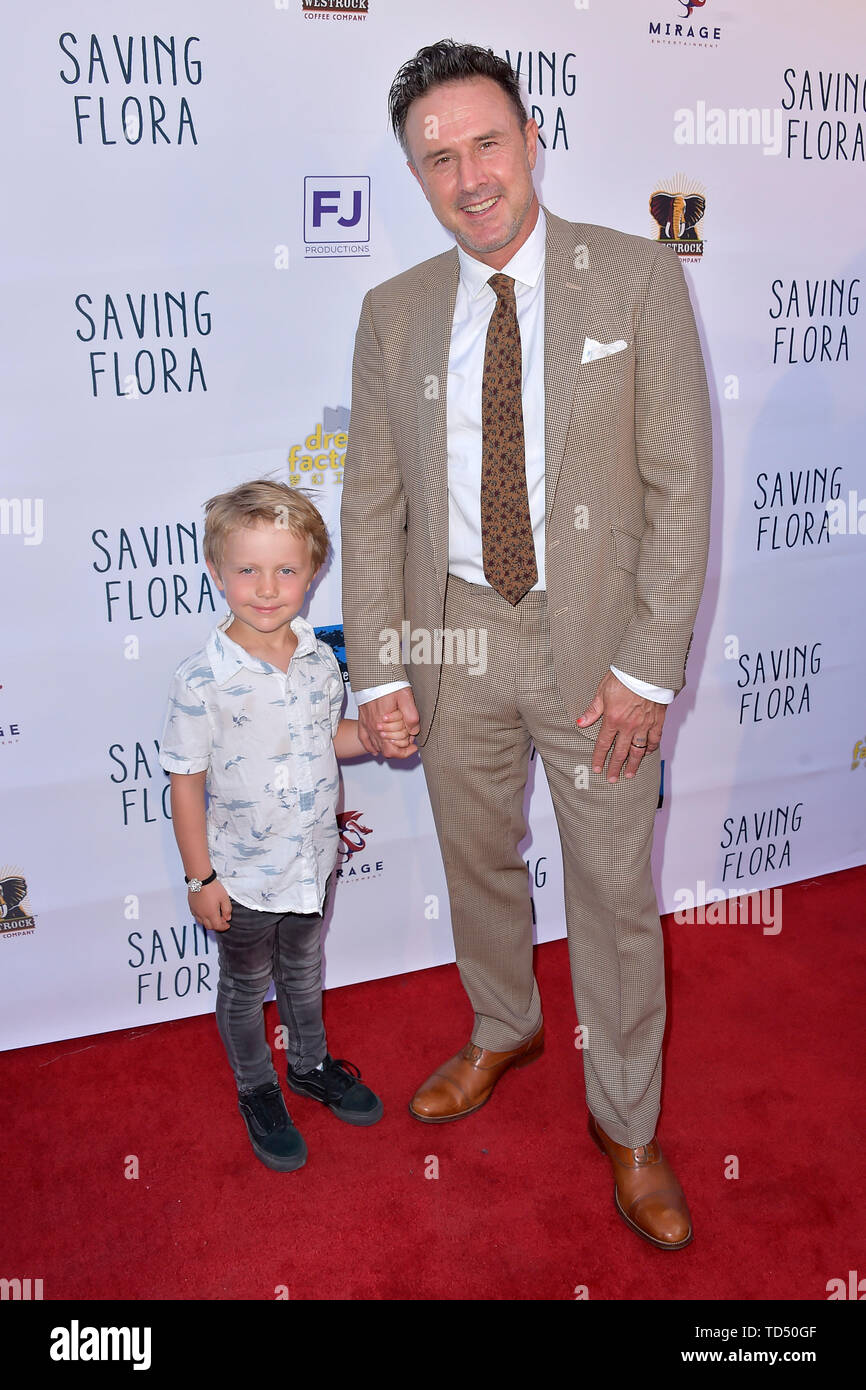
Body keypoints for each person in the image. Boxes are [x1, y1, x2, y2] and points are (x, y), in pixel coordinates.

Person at [340, 41, 712, 1248]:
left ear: (530, 137)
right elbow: (370, 505)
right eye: (435, 158)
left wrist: (647, 671)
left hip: (595, 638)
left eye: (483, 142)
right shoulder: (392, 313)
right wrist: (383, 666)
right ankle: (503, 1023)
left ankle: (629, 1124)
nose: (467, 176)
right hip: (451, 634)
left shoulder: (635, 280)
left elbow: (677, 487)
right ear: (416, 175)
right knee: (475, 859)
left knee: (610, 893)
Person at [158, 479, 411, 1171]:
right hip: (239, 876)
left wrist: (379, 739)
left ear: (311, 573)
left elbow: (331, 737)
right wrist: (199, 876)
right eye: (247, 569)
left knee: (303, 971)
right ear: (216, 572)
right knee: (243, 989)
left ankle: (308, 1064)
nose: (266, 588)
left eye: (286, 570)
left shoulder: (320, 658)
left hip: (313, 861)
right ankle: (257, 1087)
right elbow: (185, 785)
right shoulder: (199, 679)